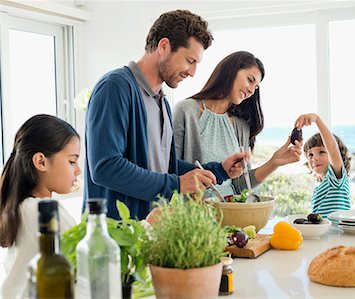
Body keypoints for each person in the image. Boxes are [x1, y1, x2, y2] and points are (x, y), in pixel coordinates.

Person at [84, 10, 246, 220]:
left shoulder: (162, 102)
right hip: (117, 239)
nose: (192, 72)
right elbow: (105, 167)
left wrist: (219, 170)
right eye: (190, 60)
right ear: (164, 46)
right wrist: (177, 184)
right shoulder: (115, 87)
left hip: (150, 233)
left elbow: (164, 167)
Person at [173, 51, 302, 197]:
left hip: (232, 213)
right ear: (232, 71)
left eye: (256, 87)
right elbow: (169, 167)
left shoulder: (240, 126)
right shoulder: (186, 111)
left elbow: (240, 184)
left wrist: (274, 163)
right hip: (193, 216)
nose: (252, 91)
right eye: (250, 80)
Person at [0, 114, 81, 298]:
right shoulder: (42, 212)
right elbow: (85, 260)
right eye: (72, 161)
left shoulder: (22, 207)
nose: (78, 170)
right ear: (41, 162)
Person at [295, 113, 351, 217]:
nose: (314, 158)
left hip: (336, 233)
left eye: (321, 152)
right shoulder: (321, 187)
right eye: (310, 154)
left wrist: (317, 120)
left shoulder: (336, 180)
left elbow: (333, 150)